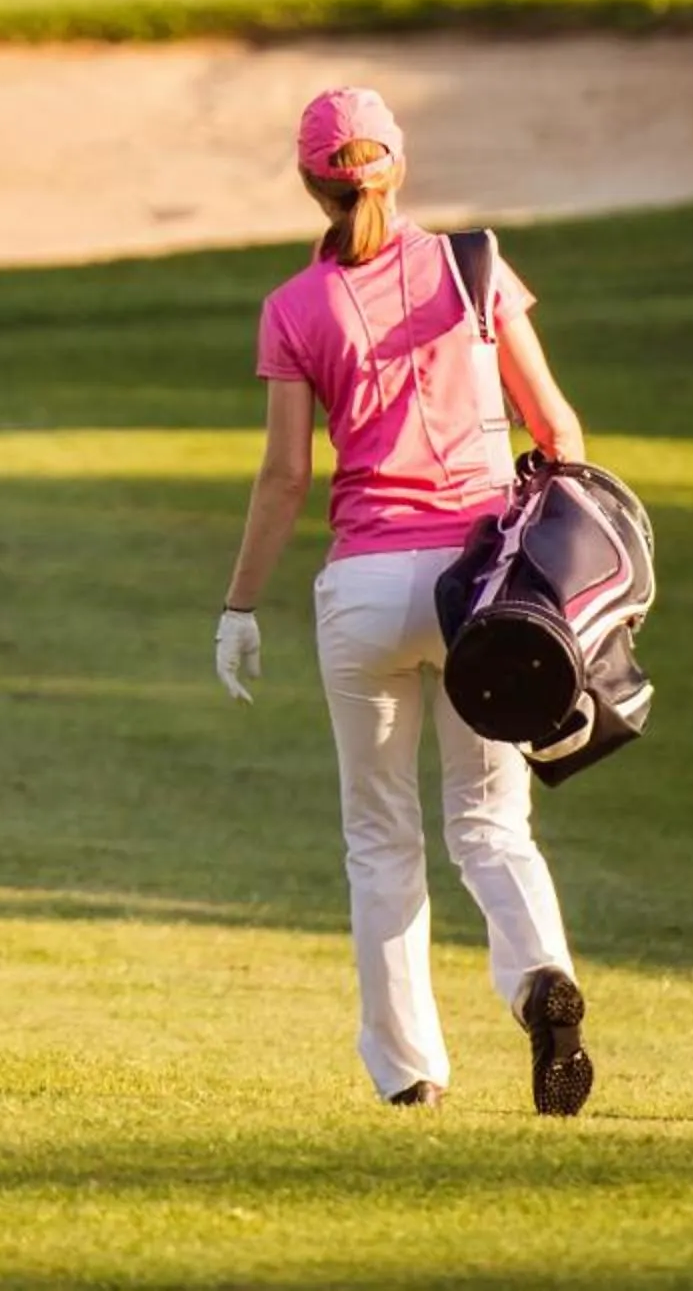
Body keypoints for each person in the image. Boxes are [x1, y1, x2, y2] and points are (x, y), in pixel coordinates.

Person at [214, 86, 599, 1115]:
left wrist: (239, 606)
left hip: (364, 593)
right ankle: (539, 981)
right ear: (397, 164)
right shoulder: (471, 267)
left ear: (311, 185)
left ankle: (410, 1075)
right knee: (491, 824)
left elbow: (287, 477)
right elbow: (557, 430)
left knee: (380, 842)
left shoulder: (294, 308)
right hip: (482, 589)